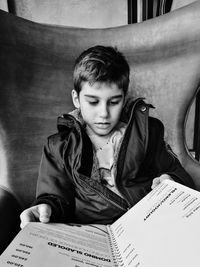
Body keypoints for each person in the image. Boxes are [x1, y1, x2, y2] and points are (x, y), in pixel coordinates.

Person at [20, 45, 195, 228]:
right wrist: (44, 207)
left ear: (124, 98)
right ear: (76, 99)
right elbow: (55, 197)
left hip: (143, 226)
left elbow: (178, 173)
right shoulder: (59, 147)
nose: (103, 113)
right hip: (91, 232)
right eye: (93, 102)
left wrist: (171, 181)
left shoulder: (146, 133)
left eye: (113, 102)